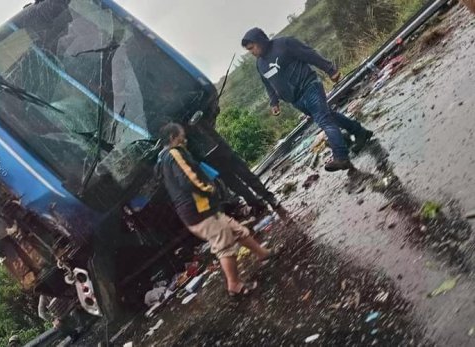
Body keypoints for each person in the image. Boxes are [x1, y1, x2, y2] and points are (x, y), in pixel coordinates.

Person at [157, 122, 276, 296]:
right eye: (181, 135)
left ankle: (263, 254)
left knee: (237, 230)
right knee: (224, 245)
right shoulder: (174, 154)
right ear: (172, 137)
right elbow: (188, 179)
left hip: (201, 209)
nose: (185, 138)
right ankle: (234, 285)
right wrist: (209, 189)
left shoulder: (163, 159)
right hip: (199, 210)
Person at [241, 27, 374, 172]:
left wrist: (330, 69)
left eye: (252, 47)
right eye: (249, 50)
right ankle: (359, 132)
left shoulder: (284, 44)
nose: (252, 52)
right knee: (328, 115)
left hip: (309, 86)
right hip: (295, 100)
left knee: (324, 120)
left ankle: (341, 157)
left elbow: (310, 55)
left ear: (260, 41)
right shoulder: (260, 64)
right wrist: (274, 102)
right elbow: (268, 83)